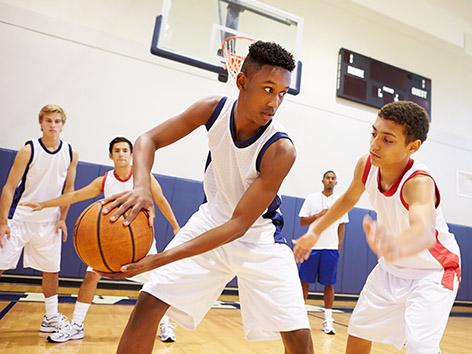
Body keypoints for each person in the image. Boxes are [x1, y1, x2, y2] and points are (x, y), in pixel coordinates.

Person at [100, 41, 313, 354]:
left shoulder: (281, 149)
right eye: (268, 89)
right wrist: (142, 186)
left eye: (282, 93)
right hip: (211, 219)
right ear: (242, 82)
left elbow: (239, 225)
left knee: (298, 339)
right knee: (148, 305)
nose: (275, 102)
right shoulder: (213, 109)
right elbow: (147, 139)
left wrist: (159, 259)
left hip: (258, 239)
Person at [294, 101, 461, 354]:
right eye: (374, 134)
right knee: (360, 331)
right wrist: (315, 230)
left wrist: (397, 245)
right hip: (391, 269)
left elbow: (424, 232)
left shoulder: (418, 183)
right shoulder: (367, 164)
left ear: (412, 147)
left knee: (419, 346)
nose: (374, 144)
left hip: (434, 271)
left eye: (387, 139)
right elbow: (348, 198)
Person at [21, 136, 180, 343]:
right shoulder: (104, 180)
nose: (121, 154)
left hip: (139, 241)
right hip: (109, 242)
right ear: (110, 155)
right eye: (117, 151)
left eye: (125, 150)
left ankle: (165, 323)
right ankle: (77, 325)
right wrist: (45, 204)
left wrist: (175, 226)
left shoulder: (144, 178)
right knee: (91, 276)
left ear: (131, 155)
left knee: (155, 283)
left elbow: (161, 201)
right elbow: (76, 196)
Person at [0, 104, 78, 333]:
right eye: (48, 121)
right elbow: (9, 187)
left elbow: (69, 188)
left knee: (51, 271)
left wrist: (62, 218)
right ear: (41, 123)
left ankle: (51, 318)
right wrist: (3, 221)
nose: (53, 125)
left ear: (62, 124)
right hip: (20, 218)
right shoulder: (29, 149)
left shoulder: (71, 152)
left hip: (50, 221)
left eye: (57, 121)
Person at [298, 170, 349, 335]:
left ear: (336, 182)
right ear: (322, 181)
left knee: (329, 285)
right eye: (328, 178)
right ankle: (299, 319)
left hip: (330, 249)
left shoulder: (341, 202)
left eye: (333, 178)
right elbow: (302, 222)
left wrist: (339, 246)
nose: (330, 180)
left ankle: (328, 321)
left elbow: (342, 226)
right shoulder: (311, 198)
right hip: (311, 247)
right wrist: (318, 215)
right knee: (304, 283)